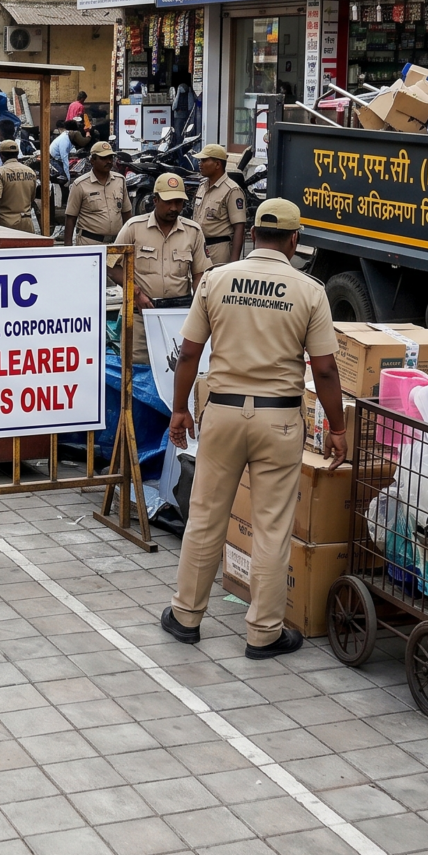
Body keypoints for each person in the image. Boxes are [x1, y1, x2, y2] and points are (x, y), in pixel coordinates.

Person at [162, 198, 341, 660]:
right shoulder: (309, 290)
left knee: (205, 518)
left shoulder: (217, 280)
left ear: (256, 234)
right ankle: (263, 633)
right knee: (270, 527)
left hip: (220, 413)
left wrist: (179, 409)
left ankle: (186, 618)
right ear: (294, 240)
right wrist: (337, 429)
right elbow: (323, 371)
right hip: (278, 419)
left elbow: (187, 354)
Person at [111, 174, 211, 360]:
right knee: (137, 369)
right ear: (155, 200)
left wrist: (201, 308)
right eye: (168, 202)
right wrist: (135, 292)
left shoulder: (193, 232)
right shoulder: (134, 228)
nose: (174, 208)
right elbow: (111, 266)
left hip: (179, 317)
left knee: (175, 369)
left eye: (179, 202)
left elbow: (199, 276)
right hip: (141, 316)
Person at [61, 142, 130, 246]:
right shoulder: (80, 184)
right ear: (92, 160)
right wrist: (68, 247)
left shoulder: (120, 180)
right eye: (104, 158)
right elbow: (71, 217)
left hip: (116, 243)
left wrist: (129, 241)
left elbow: (126, 213)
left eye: (111, 158)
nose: (109, 161)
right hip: (90, 244)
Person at [190, 144, 247, 265]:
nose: (200, 164)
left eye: (204, 160)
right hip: (198, 248)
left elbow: (239, 228)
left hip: (218, 251)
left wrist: (234, 263)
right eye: (200, 160)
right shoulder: (202, 187)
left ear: (217, 164)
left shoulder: (232, 190)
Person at [0, 149, 41, 235]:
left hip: (6, 225)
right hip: (27, 224)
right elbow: (32, 197)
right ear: (17, 154)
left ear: (1, 156)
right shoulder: (30, 172)